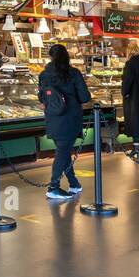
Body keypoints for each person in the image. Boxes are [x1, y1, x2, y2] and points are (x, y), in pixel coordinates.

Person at [37, 43, 91, 201]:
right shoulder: (73, 73)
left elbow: (41, 98)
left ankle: (74, 184)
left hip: (52, 118)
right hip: (69, 118)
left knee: (64, 150)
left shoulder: (43, 75)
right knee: (62, 152)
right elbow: (85, 97)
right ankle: (53, 188)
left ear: (50, 57)